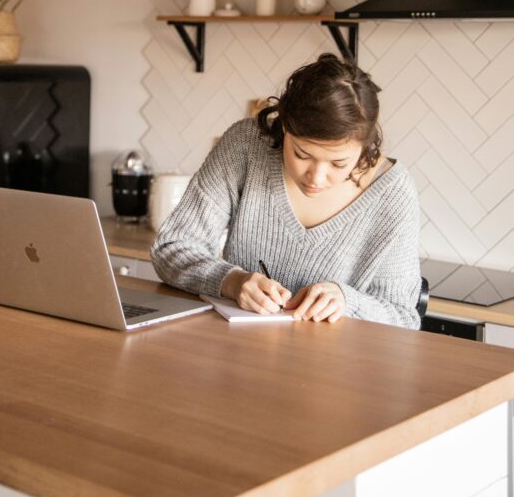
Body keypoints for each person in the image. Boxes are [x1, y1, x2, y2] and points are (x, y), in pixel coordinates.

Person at [151, 53, 421, 329]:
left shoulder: (393, 192)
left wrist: (346, 301)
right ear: (284, 126)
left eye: (338, 163)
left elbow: (404, 317)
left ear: (364, 147)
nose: (316, 177)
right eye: (301, 154)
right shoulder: (246, 146)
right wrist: (232, 281)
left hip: (334, 366)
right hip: (235, 353)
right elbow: (171, 249)